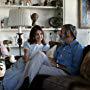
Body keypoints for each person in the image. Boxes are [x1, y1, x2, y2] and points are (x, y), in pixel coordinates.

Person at [2, 25, 50, 90]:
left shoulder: (45, 46)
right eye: (37, 34)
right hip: (24, 62)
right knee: (14, 75)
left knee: (23, 76)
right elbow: (26, 56)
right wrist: (28, 65)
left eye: (41, 34)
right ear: (33, 35)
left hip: (34, 64)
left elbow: (42, 58)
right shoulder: (28, 43)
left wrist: (33, 65)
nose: (39, 36)